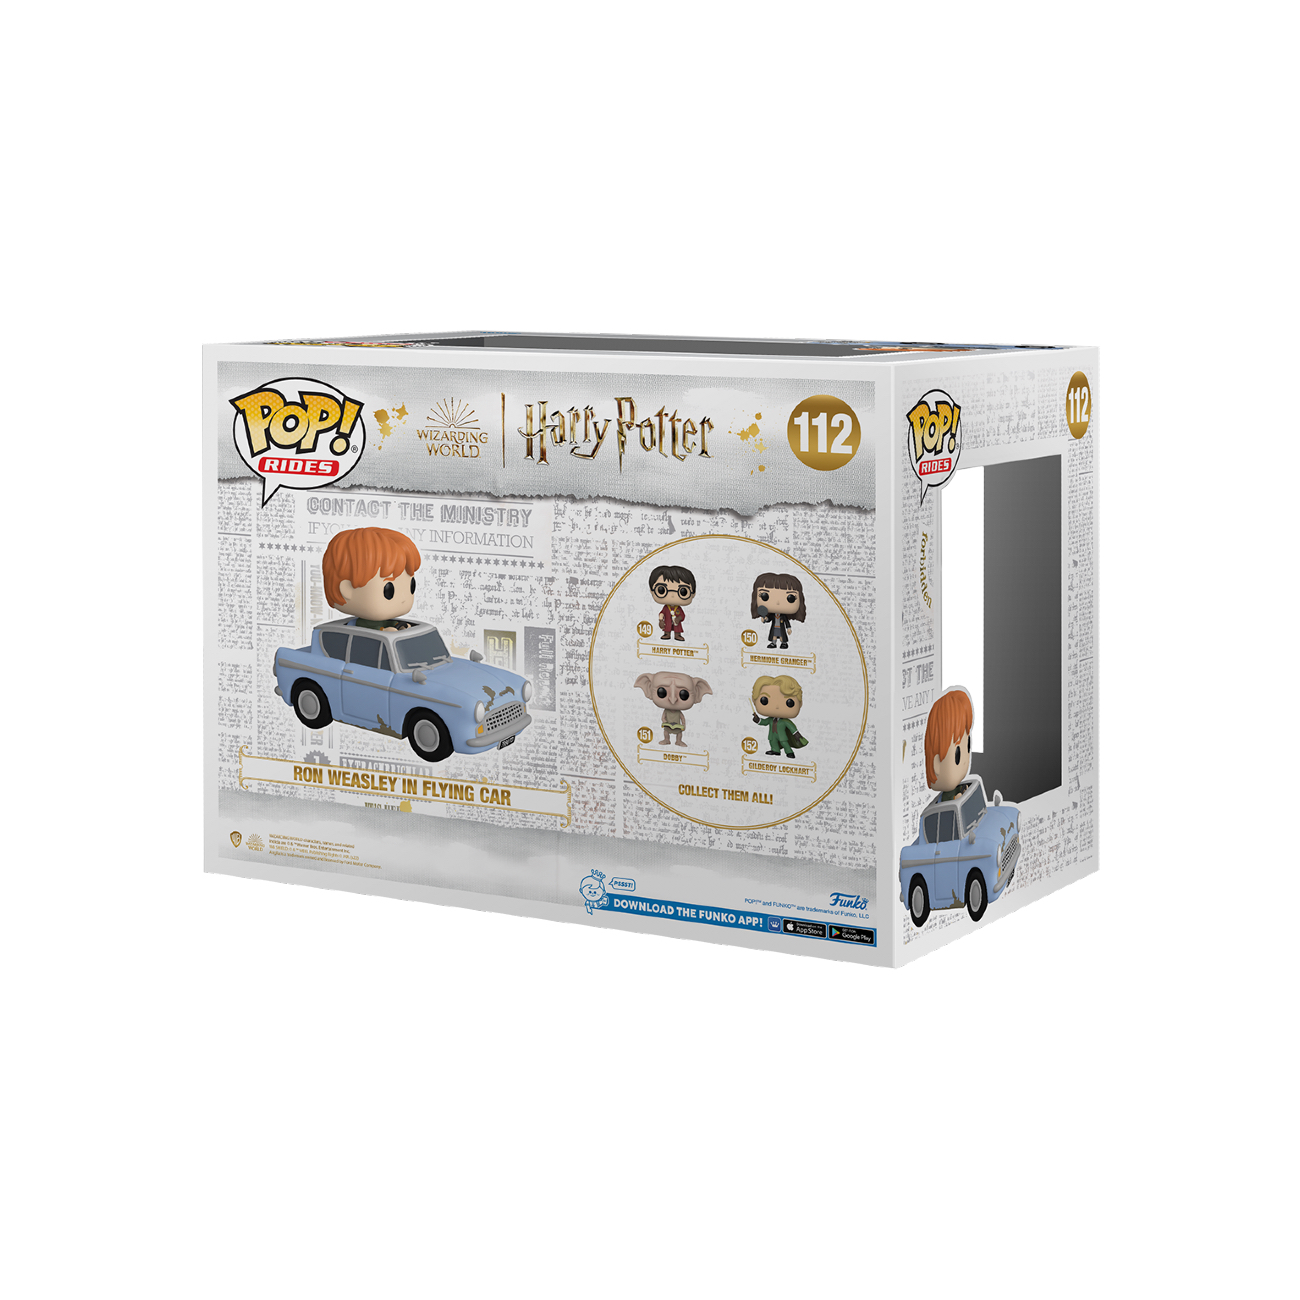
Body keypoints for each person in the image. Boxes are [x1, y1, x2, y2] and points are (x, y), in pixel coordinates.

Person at [321, 526, 422, 629]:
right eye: (388, 590)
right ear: (347, 589)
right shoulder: (363, 626)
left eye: (411, 585)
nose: (403, 598)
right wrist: (384, 630)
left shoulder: (387, 620)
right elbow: (376, 630)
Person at [924, 688, 974, 800]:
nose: (965, 760)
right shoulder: (947, 799)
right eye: (957, 754)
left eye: (968, 746)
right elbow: (952, 803)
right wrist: (958, 798)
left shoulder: (960, 786)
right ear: (936, 765)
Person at [751, 675, 808, 757]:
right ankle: (775, 750)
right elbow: (765, 722)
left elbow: (791, 727)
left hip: (782, 736)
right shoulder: (771, 719)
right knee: (772, 742)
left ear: (800, 703)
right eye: (765, 700)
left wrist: (796, 733)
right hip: (772, 735)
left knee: (784, 743)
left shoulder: (785, 721)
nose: (777, 706)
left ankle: (789, 752)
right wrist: (758, 720)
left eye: (789, 702)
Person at [750, 572, 807, 648]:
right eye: (764, 596)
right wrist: (765, 619)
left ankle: (784, 643)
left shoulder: (783, 616)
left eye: (791, 598)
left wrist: (788, 628)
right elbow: (769, 619)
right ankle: (773, 643)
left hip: (781, 627)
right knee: (773, 635)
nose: (777, 602)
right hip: (774, 627)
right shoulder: (772, 615)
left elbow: (787, 622)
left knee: (782, 636)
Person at [649, 564, 696, 641]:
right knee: (667, 627)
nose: (672, 595)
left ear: (693, 593)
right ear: (651, 590)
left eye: (683, 591)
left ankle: (677, 635)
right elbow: (661, 613)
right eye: (661, 590)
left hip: (676, 622)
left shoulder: (678, 608)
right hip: (667, 621)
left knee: (677, 628)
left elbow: (682, 615)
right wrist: (660, 620)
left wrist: (678, 618)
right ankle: (667, 634)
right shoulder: (666, 607)